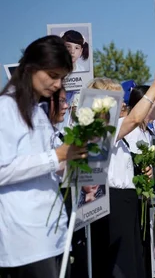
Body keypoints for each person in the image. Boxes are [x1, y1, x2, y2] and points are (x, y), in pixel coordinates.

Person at [0, 35, 87, 278]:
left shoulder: (37, 111)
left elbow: (44, 167)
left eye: (62, 77)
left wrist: (70, 162)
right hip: (25, 239)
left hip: (52, 231)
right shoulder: (6, 108)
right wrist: (55, 156)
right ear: (30, 68)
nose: (58, 84)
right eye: (52, 75)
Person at [88, 76, 155, 278]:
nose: (123, 103)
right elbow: (135, 119)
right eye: (116, 98)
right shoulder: (98, 129)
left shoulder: (112, 128)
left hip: (126, 201)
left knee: (132, 260)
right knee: (120, 265)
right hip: (113, 202)